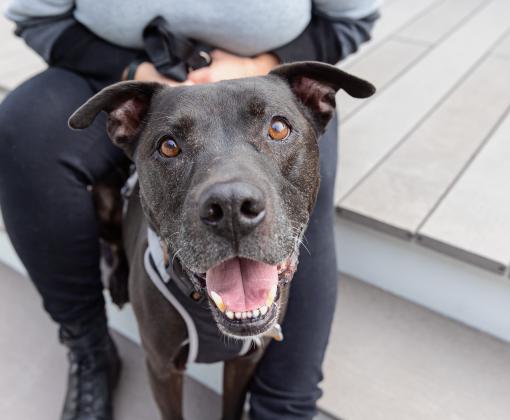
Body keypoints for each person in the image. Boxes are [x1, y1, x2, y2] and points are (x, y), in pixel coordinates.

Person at [0, 1, 380, 419]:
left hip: (268, 76)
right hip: (119, 72)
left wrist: (263, 64)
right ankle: (89, 346)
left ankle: (284, 404)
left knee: (303, 194)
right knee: (21, 128)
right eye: (168, 146)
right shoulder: (136, 111)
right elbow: (38, 18)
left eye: (275, 131)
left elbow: (350, 20)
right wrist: (136, 76)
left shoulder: (295, 99)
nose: (233, 199)